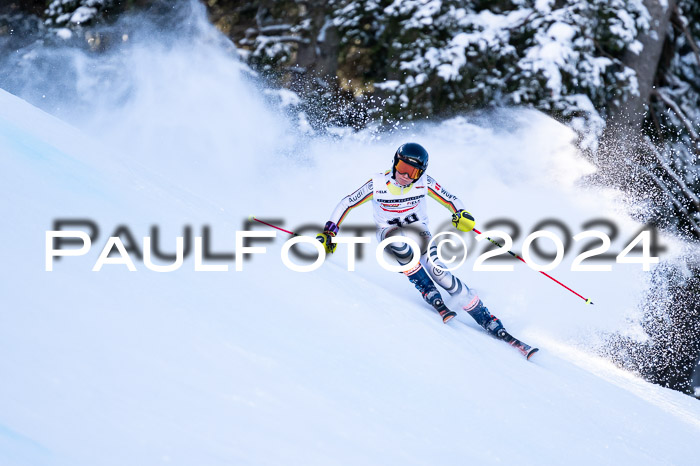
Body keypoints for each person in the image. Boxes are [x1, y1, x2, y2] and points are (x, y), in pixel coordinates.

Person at [316, 142, 508, 338]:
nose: (405, 176)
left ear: (421, 173)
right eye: (403, 168)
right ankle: (428, 290)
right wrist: (330, 232)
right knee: (399, 245)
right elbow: (346, 203)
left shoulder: (424, 182)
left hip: (418, 230)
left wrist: (461, 213)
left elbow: (450, 199)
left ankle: (486, 318)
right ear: (395, 163)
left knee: (441, 273)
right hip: (389, 231)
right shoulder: (378, 184)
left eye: (413, 172)